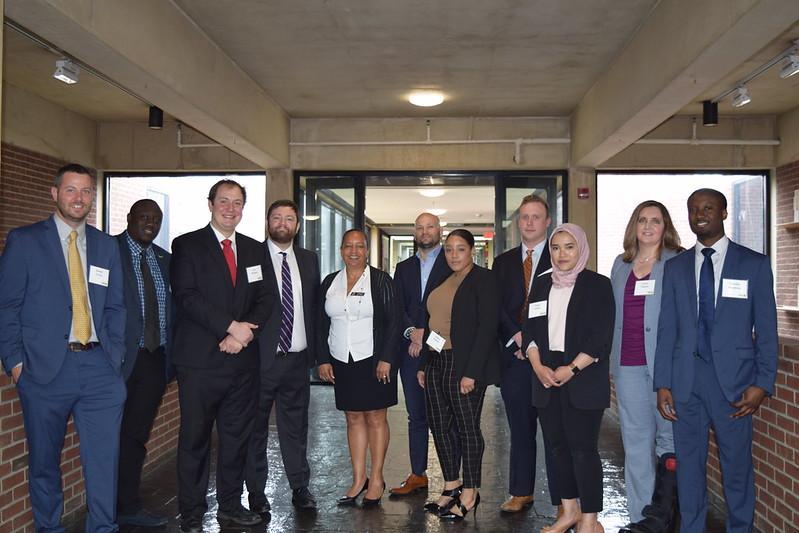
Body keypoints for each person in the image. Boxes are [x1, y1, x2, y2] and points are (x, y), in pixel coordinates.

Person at [0, 164, 127, 532]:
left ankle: (103, 528)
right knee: (43, 461)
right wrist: (15, 362)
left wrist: (114, 357)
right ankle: (49, 528)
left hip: (99, 368)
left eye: (86, 191)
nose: (79, 198)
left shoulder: (105, 245)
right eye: (71, 190)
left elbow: (117, 306)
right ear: (54, 194)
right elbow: (6, 305)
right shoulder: (25, 241)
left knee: (104, 459)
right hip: (43, 370)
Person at [654, 188, 777, 533]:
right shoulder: (676, 267)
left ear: (724, 213)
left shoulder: (753, 264)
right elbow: (667, 329)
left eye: (708, 208)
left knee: (737, 469)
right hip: (686, 385)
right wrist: (663, 383)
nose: (700, 214)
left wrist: (762, 384)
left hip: (736, 386)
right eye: (694, 209)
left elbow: (766, 330)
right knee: (689, 469)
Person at [170, 179, 273, 532]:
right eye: (224, 201)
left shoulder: (255, 249)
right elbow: (187, 297)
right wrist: (231, 327)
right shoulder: (186, 245)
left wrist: (244, 335)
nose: (231, 208)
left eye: (238, 202)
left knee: (236, 439)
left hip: (242, 363)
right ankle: (192, 512)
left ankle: (230, 505)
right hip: (200, 362)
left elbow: (266, 300)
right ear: (211, 204)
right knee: (195, 439)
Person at [523, 223, 614, 533]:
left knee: (583, 450)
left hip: (582, 375)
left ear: (581, 249)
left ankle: (590, 520)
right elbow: (530, 330)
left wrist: (572, 369)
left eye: (569, 247)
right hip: (545, 374)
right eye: (556, 248)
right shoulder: (541, 284)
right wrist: (537, 366)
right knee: (557, 448)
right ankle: (569, 512)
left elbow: (600, 337)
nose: (562, 254)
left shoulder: (598, 285)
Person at [417, 228, 500, 522]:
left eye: (460, 249)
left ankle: (471, 492)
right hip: (437, 360)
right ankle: (452, 485)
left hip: (464, 364)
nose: (454, 255)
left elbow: (487, 327)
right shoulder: (444, 278)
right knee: (439, 425)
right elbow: (432, 324)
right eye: (449, 249)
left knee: (467, 428)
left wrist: (472, 373)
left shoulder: (483, 279)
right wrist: (424, 364)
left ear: (472, 251)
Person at [611, 201, 682, 532]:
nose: (649, 226)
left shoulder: (678, 262)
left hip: (666, 367)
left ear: (665, 226)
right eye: (642, 220)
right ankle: (641, 520)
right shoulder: (620, 265)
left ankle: (669, 515)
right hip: (628, 366)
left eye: (656, 221)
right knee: (637, 445)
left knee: (670, 443)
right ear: (634, 226)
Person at [245, 200, 320, 513]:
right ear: (267, 222)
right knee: (255, 428)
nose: (283, 223)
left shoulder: (308, 259)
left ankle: (300, 487)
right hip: (261, 360)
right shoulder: (251, 257)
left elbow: (313, 307)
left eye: (289, 218)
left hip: (296, 361)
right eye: (277, 217)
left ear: (297, 225)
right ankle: (257, 493)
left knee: (296, 427)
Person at [317, 229, 400, 507]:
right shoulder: (330, 282)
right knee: (352, 417)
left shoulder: (381, 281)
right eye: (348, 246)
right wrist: (323, 359)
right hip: (342, 360)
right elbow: (320, 324)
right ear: (341, 250)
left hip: (375, 361)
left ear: (367, 251)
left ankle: (376, 479)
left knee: (376, 417)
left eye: (359, 246)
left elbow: (394, 322)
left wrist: (387, 358)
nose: (354, 251)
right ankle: (358, 479)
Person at [492, 194, 558, 513]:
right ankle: (521, 492)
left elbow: (564, 308)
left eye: (536, 216)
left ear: (547, 222)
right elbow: (497, 308)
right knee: (520, 428)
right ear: (518, 222)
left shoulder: (560, 257)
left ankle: (565, 500)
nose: (529, 222)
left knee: (557, 432)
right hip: (514, 357)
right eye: (524, 217)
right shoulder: (502, 262)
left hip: (549, 359)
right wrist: (517, 338)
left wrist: (534, 342)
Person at [115, 199, 174, 528]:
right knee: (109, 433)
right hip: (118, 360)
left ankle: (128, 504)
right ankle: (105, 504)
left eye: (156, 218)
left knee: (136, 435)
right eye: (144, 217)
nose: (150, 223)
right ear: (129, 219)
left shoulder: (164, 259)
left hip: (154, 360)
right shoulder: (109, 251)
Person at [390, 212, 453, 496]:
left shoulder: (452, 263)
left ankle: (452, 479)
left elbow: (452, 310)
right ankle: (418, 474)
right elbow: (397, 307)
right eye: (420, 227)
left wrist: (424, 335)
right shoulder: (403, 268)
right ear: (414, 231)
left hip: (442, 349)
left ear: (439, 230)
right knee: (416, 416)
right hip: (410, 350)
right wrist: (411, 332)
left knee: (445, 416)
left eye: (430, 227)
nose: (425, 231)